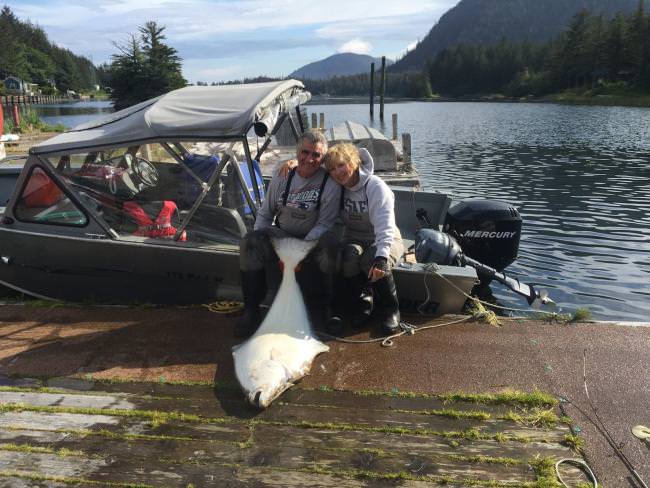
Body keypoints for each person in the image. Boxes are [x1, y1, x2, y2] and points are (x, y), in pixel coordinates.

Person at [236, 131, 341, 338]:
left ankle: (330, 309)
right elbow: (266, 215)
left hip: (312, 240)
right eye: (305, 152)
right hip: (282, 234)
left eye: (316, 155)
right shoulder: (283, 174)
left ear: (323, 159)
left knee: (330, 243)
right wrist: (263, 241)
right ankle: (251, 309)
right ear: (296, 152)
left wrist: (295, 255)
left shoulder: (330, 182)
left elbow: (325, 223)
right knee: (250, 242)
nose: (309, 159)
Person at [322, 143, 403, 336]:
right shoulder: (337, 188)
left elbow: (385, 226)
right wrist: (291, 163)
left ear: (354, 162)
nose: (337, 172)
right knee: (348, 257)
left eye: (341, 165)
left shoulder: (375, 186)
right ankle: (365, 303)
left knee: (371, 260)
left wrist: (382, 257)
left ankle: (391, 310)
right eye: (332, 169)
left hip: (386, 237)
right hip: (355, 237)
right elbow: (311, 166)